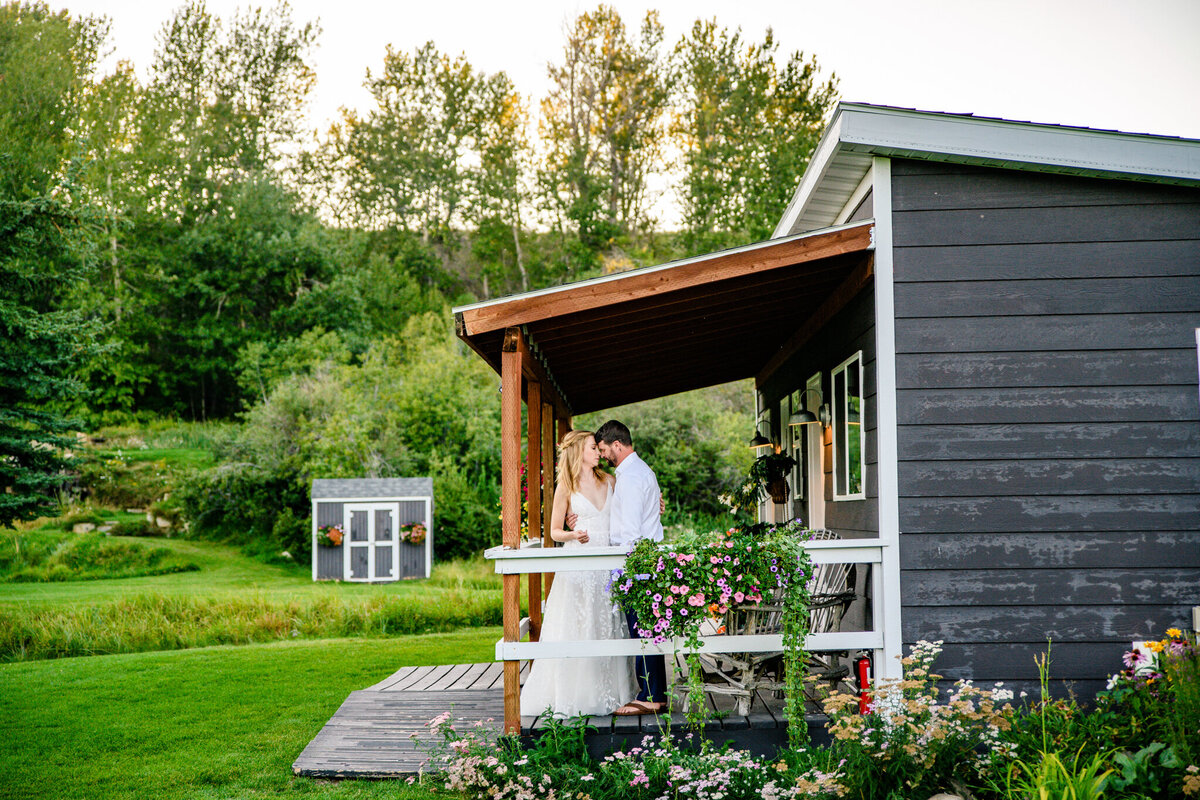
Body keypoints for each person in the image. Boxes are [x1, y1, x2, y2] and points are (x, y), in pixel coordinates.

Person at [519, 430, 637, 718]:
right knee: (577, 626)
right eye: (593, 448)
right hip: (578, 568)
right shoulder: (566, 487)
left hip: (608, 567)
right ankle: (576, 694)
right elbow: (554, 531)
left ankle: (612, 693)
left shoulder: (610, 480)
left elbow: (632, 506)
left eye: (598, 448)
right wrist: (572, 534)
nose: (599, 452)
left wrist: (654, 505)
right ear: (578, 452)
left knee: (606, 627)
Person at [594, 419, 668, 716]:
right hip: (635, 562)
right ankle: (652, 692)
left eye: (603, 449)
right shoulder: (631, 473)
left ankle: (652, 695)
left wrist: (628, 568)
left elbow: (633, 530)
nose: (602, 455)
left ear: (617, 445)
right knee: (642, 629)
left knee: (644, 629)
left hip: (637, 564)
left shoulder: (634, 476)